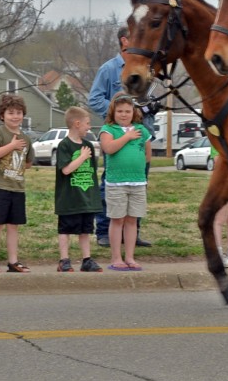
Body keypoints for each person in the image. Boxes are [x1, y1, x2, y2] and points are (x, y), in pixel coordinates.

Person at [88, 27, 154, 249]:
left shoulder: (144, 68)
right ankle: (104, 231)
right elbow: (94, 99)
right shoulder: (109, 69)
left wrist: (150, 107)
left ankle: (133, 233)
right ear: (124, 41)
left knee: (139, 185)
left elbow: (148, 99)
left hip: (140, 136)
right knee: (111, 185)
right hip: (116, 138)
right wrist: (120, 110)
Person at [99, 92, 152, 272]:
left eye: (127, 111)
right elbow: (109, 148)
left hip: (137, 182)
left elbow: (147, 154)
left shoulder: (141, 130)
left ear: (133, 112)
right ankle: (116, 257)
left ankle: (130, 257)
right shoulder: (108, 129)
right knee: (118, 219)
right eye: (120, 111)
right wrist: (127, 137)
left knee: (132, 220)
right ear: (113, 112)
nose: (124, 114)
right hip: (116, 183)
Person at [0, 94, 35, 273]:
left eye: (19, 112)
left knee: (14, 225)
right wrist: (12, 146)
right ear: (2, 115)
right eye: (11, 113)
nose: (15, 116)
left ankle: (13, 261)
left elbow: (28, 162)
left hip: (17, 187)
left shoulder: (26, 138)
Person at [55, 106, 105, 273]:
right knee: (65, 229)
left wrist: (93, 195)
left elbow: (91, 172)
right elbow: (66, 170)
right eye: (87, 123)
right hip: (69, 198)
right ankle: (64, 260)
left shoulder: (88, 145)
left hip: (86, 197)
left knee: (85, 230)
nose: (89, 127)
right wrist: (82, 157)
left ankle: (86, 260)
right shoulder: (64, 145)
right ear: (77, 124)